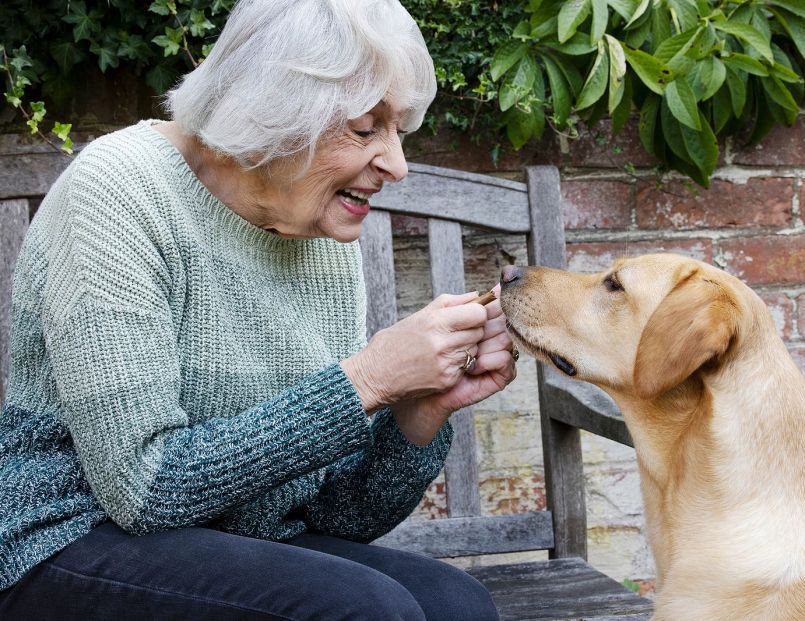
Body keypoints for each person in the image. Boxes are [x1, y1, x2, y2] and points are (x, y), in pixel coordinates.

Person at [0, 1, 515, 619]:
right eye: (363, 129)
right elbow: (144, 490)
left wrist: (418, 410)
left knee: (456, 604)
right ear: (278, 112)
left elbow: (339, 517)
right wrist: (369, 380)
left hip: (233, 538)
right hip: (65, 538)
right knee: (367, 609)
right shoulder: (117, 191)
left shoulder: (320, 228)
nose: (397, 165)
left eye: (398, 130)